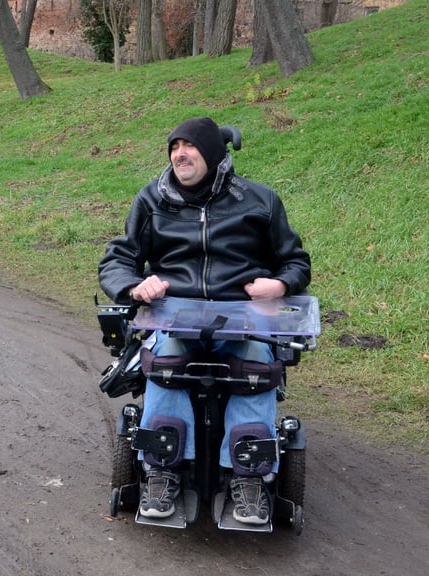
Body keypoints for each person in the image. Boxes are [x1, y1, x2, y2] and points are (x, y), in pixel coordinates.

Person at [98, 117, 311, 525]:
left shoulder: (259, 201)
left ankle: (249, 480)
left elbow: (296, 260)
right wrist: (133, 287)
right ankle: (161, 471)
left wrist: (279, 284)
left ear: (213, 154)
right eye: (174, 146)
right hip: (175, 316)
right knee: (166, 362)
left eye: (189, 146)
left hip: (243, 319)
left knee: (255, 366)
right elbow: (118, 258)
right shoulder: (152, 201)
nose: (179, 153)